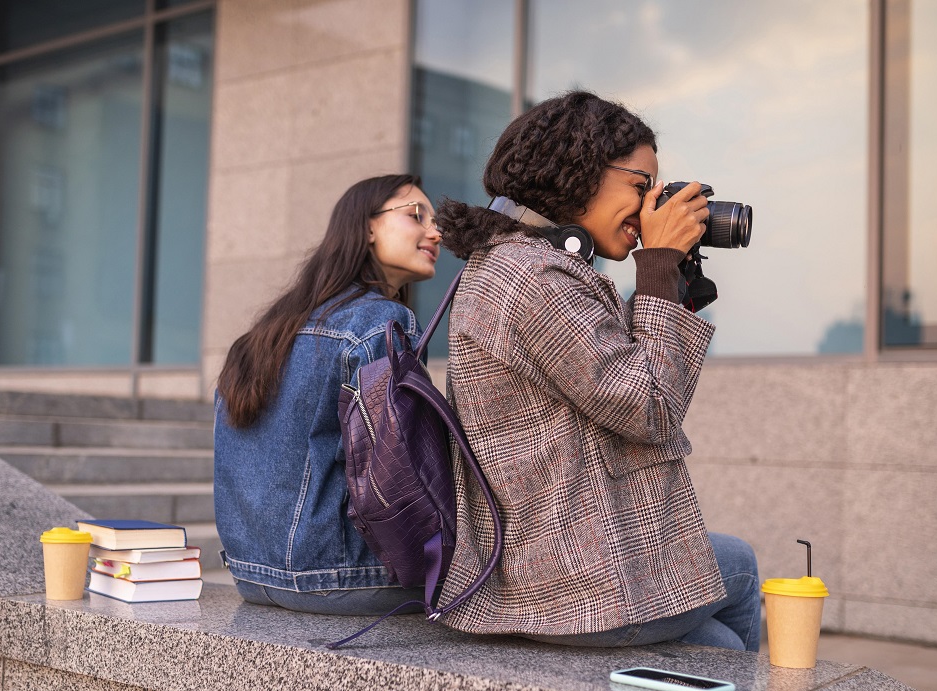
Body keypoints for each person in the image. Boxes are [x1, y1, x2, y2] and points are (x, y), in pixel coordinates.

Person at [434, 91, 761, 650]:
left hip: (554, 553)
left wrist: (672, 278)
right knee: (731, 611)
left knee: (727, 602)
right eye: (641, 187)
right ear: (579, 171)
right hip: (567, 578)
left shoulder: (525, 263)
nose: (650, 207)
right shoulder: (532, 279)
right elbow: (650, 405)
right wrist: (655, 266)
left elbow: (625, 384)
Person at [214, 174, 442, 614]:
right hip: (343, 578)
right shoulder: (383, 324)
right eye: (416, 215)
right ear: (368, 226)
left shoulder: (265, 334)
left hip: (250, 576)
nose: (435, 232)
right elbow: (402, 472)